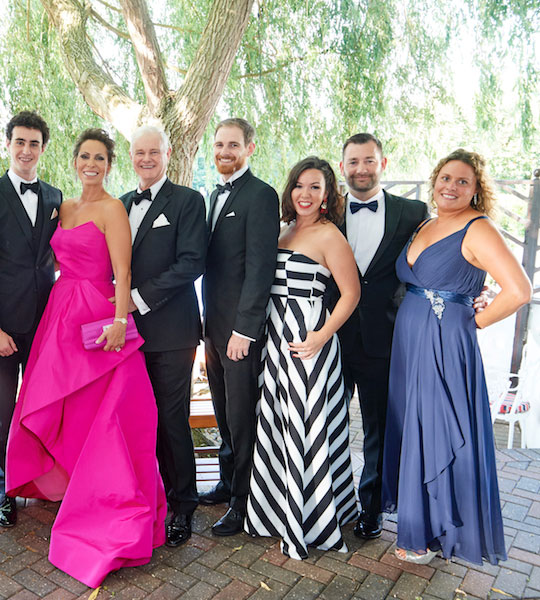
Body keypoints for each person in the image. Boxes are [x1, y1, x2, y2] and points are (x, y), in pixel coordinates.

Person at [6, 128, 167, 587]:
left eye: (100, 158)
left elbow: (123, 271)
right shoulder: (64, 207)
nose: (91, 164)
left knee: (104, 411)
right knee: (68, 405)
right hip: (61, 313)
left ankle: (105, 495)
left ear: (109, 165)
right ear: (75, 162)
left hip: (98, 315)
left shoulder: (113, 209)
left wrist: (119, 321)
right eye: (85, 157)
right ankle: (71, 482)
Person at [382, 149, 531, 564]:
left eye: (463, 181)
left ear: (476, 190)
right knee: (414, 426)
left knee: (436, 428)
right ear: (435, 181)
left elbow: (519, 290)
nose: (451, 186)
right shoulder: (426, 223)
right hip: (409, 339)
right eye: (446, 178)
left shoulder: (478, 228)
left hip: (445, 340)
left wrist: (474, 322)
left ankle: (431, 531)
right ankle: (421, 522)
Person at [244, 156, 360, 559]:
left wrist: (321, 337)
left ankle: (311, 519)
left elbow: (351, 294)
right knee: (279, 423)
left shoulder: (329, 235)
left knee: (306, 426)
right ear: (289, 189)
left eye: (315, 187)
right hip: (275, 340)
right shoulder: (282, 230)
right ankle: (278, 512)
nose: (305, 194)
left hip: (308, 342)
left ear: (327, 195)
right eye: (299, 185)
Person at [328, 133, 430, 540]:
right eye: (353, 162)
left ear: (382, 164)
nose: (361, 169)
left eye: (368, 161)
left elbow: (433, 260)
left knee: (379, 429)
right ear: (342, 168)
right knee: (328, 423)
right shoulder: (326, 209)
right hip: (330, 337)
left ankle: (371, 509)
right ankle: (330, 503)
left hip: (385, 338)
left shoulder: (412, 212)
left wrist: (472, 293)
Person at [0, 111, 63, 527]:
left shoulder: (56, 197)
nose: (26, 150)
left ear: (43, 149)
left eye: (34, 143)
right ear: (7, 144)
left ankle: (42, 481)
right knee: (2, 412)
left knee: (44, 407)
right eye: (20, 142)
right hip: (3, 328)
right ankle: (5, 490)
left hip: (46, 326)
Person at [118, 124, 206, 547]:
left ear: (168, 154)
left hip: (172, 333)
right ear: (131, 157)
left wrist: (137, 299)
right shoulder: (120, 204)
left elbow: (191, 263)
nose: (147, 159)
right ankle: (148, 497)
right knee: (137, 419)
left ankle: (182, 505)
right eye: (140, 152)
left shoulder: (188, 201)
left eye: (154, 152)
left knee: (171, 419)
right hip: (128, 336)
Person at [200, 118, 280, 537]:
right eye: (219, 144)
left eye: (233, 144)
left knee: (242, 415)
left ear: (250, 148)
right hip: (213, 328)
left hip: (239, 333)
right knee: (222, 411)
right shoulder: (213, 195)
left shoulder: (261, 195)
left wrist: (245, 331)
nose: (224, 152)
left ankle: (243, 502)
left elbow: (260, 269)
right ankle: (227, 481)